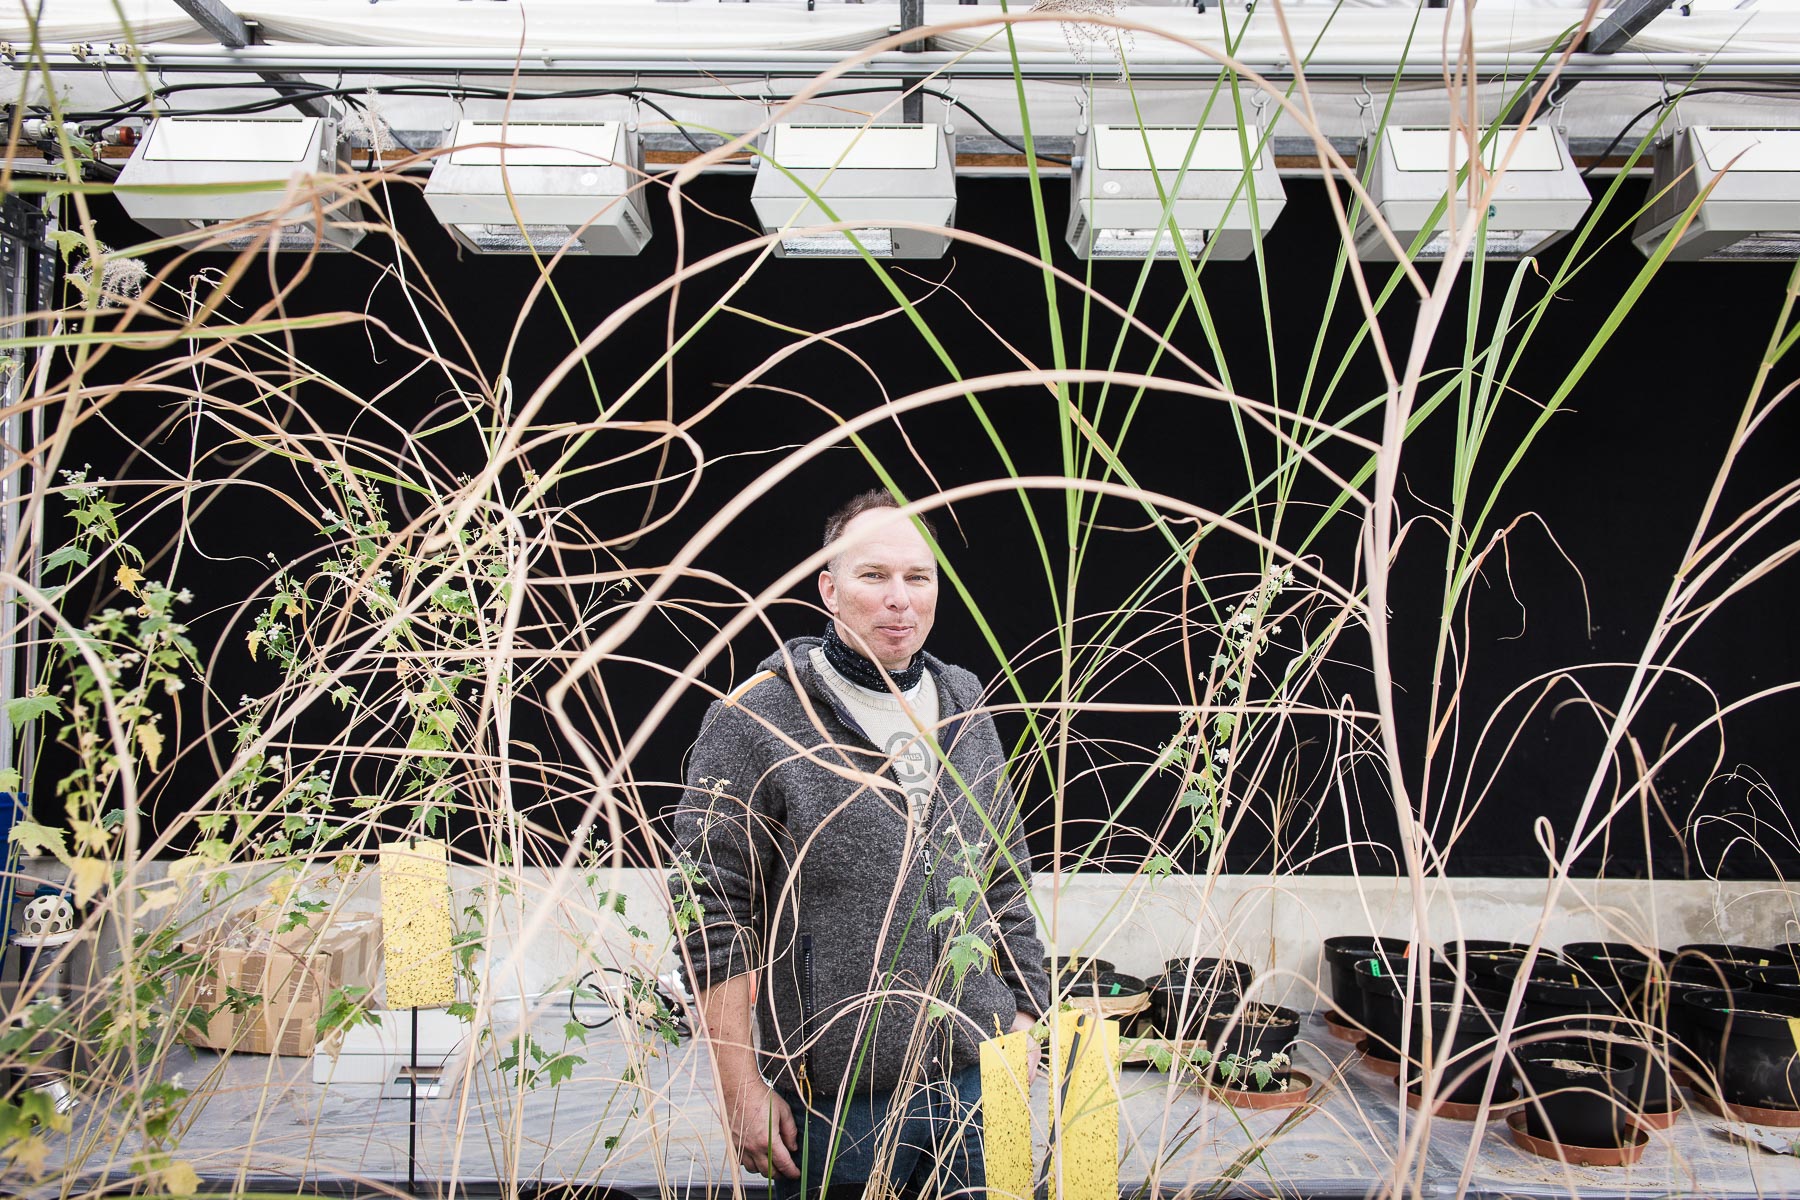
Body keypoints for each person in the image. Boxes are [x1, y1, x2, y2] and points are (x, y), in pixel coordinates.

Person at [670, 491, 1049, 1199]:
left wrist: (1025, 1013)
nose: (899, 599)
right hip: (837, 1104)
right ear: (829, 589)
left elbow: (1006, 875)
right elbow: (709, 912)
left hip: (977, 1079)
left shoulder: (965, 701)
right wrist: (740, 1084)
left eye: (918, 577)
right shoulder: (758, 717)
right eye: (873, 576)